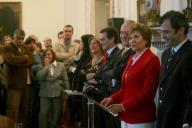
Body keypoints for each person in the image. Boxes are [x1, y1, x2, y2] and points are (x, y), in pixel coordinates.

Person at [101, 23, 160, 128]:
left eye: (136, 37)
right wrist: (112, 98)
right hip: (126, 115)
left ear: (146, 39)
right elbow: (125, 88)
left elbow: (148, 94)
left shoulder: (151, 59)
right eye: (131, 37)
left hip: (141, 117)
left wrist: (123, 106)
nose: (132, 40)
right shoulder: (131, 58)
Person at [156, 10, 192, 128]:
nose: (162, 36)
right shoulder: (166, 54)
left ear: (181, 30)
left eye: (166, 32)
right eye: (161, 32)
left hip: (181, 122)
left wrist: (188, 122)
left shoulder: (190, 54)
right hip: (165, 119)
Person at [3, 29, 35, 127]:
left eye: (22, 38)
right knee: (13, 110)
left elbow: (32, 60)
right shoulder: (8, 47)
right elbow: (11, 60)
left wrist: (20, 61)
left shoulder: (25, 47)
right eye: (18, 38)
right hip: (14, 85)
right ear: (14, 37)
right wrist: (24, 58)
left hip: (27, 84)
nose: (20, 40)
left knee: (23, 110)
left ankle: (19, 127)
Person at [36, 49, 70, 128]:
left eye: (49, 54)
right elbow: (39, 77)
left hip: (57, 93)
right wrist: (46, 67)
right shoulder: (41, 65)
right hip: (44, 93)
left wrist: (67, 93)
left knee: (56, 115)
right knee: (43, 114)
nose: (47, 56)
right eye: (45, 55)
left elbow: (66, 80)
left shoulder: (61, 65)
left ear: (53, 55)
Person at [94, 27, 121, 128]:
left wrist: (100, 75)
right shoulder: (107, 54)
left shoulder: (118, 54)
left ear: (112, 39)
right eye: (100, 39)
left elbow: (110, 74)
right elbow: (99, 74)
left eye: (103, 39)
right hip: (105, 95)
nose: (100, 42)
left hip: (113, 96)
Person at [113, 20, 136, 93]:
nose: (123, 36)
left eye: (126, 33)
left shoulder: (135, 53)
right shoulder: (120, 51)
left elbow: (118, 73)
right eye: (121, 32)